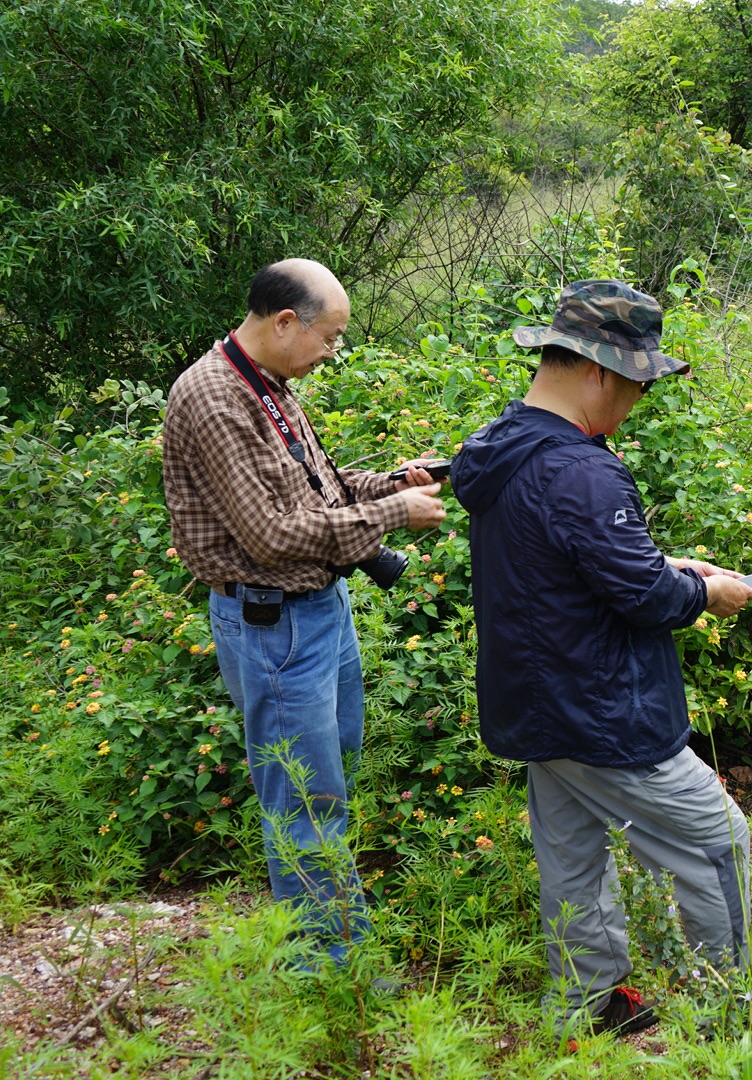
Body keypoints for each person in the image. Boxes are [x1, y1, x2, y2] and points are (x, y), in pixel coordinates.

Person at [451, 279, 752, 1038]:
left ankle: (583, 1009)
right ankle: (724, 1017)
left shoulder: (500, 446)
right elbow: (644, 600)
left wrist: (665, 566)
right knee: (717, 842)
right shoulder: (582, 470)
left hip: (534, 707)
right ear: (598, 371)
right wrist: (701, 593)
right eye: (638, 384)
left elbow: (572, 566)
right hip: (603, 711)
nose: (638, 401)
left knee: (573, 864)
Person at [162, 259, 447, 965]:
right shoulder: (214, 399)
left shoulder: (268, 384)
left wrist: (391, 481)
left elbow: (313, 488)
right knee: (304, 799)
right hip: (275, 624)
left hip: (317, 611)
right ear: (286, 322)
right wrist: (393, 514)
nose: (332, 353)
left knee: (328, 778)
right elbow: (271, 533)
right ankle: (326, 969)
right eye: (331, 338)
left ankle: (335, 932)